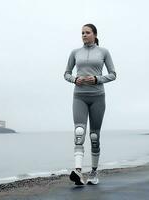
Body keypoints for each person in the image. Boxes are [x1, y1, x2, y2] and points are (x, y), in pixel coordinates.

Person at [64, 23, 117, 185]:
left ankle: (93, 173)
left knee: (94, 136)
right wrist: (74, 79)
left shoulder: (104, 52)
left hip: (97, 97)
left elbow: (113, 74)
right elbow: (66, 73)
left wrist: (96, 79)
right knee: (79, 132)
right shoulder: (75, 53)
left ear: (94, 34)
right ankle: (78, 172)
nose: (84, 35)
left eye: (87, 32)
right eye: (82, 33)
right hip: (79, 96)